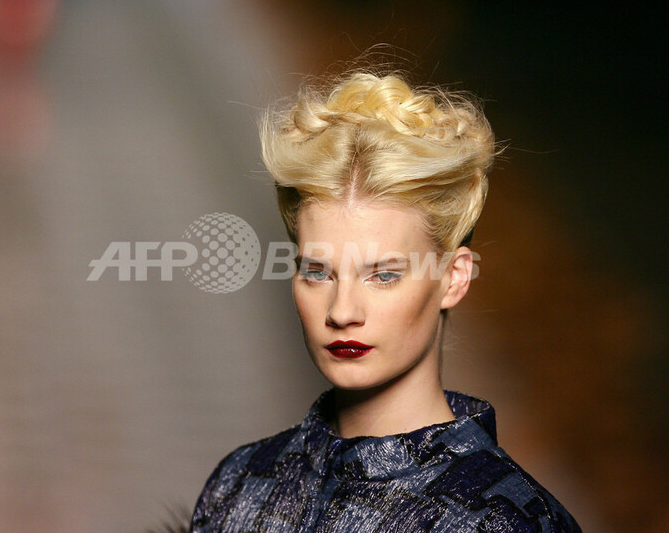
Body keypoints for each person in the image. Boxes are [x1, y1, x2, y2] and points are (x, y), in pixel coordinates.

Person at [189, 70, 581, 532]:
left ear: (453, 278)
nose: (342, 312)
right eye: (317, 272)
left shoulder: (504, 521)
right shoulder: (239, 484)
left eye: (383, 275)